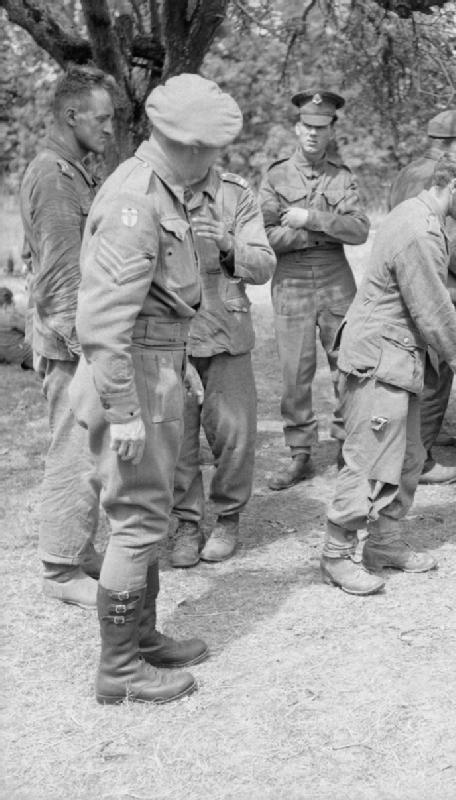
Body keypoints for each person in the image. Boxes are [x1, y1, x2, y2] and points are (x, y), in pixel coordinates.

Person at [69, 73, 243, 704]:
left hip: (155, 367)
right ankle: (118, 669)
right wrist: (125, 410)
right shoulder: (135, 200)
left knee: (148, 513)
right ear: (191, 145)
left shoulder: (161, 191)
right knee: (137, 521)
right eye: (215, 149)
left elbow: (158, 303)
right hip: (132, 378)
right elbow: (102, 322)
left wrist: (178, 364)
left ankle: (141, 639)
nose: (217, 161)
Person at [322, 150, 456, 595]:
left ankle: (385, 544)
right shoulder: (418, 229)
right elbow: (434, 311)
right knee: (368, 460)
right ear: (452, 186)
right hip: (379, 362)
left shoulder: (422, 219)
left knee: (409, 457)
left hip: (399, 361)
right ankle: (337, 554)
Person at [19, 65, 116, 609]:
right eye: (100, 118)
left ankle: (79, 551)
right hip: (69, 342)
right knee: (73, 452)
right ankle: (60, 568)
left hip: (76, 338)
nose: (107, 128)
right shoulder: (55, 175)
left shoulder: (74, 170)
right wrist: (92, 352)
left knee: (90, 450)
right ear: (71, 115)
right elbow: (59, 278)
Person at [259, 89, 370, 490]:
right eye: (307, 126)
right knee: (295, 372)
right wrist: (310, 235)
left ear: (331, 131)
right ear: (296, 127)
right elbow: (264, 234)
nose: (313, 134)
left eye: (321, 128)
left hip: (335, 277)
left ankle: (347, 445)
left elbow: (359, 230)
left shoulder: (343, 177)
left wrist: (311, 217)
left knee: (349, 364)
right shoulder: (275, 177)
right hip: (291, 278)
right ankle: (300, 454)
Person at [169, 169, 276, 567]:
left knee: (234, 436)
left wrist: (229, 243)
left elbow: (264, 266)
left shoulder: (235, 193)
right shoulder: (153, 185)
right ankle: (186, 524)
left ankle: (228, 518)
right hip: (170, 334)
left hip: (225, 332)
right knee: (177, 438)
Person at [388, 109, 456, 486]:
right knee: (434, 374)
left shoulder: (407, 172)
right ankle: (420, 459)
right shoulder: (443, 178)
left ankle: (407, 449)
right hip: (436, 282)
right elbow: (452, 240)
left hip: (404, 280)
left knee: (413, 371)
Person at [0, 287, 33, 369]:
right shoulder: (12, 318)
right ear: (5, 306)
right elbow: (32, 332)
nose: (15, 307)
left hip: (5, 354)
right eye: (13, 304)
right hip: (21, 354)